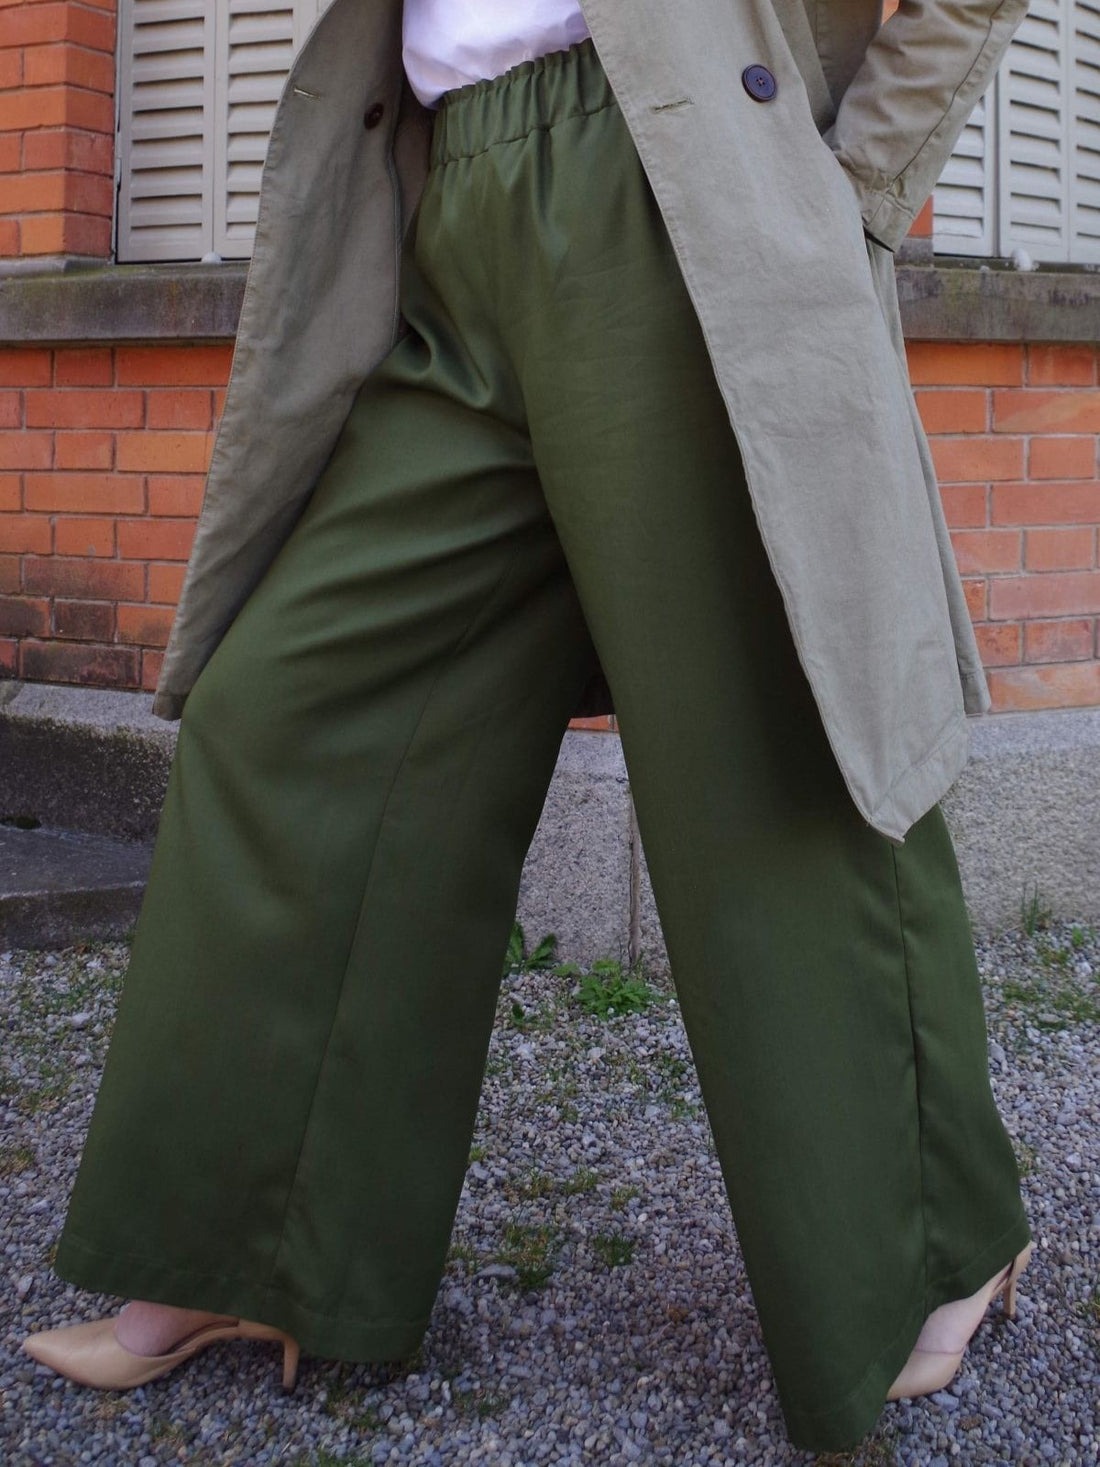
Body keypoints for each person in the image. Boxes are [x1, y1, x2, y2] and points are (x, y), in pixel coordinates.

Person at [21, 1, 1033, 1453]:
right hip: (455, 202)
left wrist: (862, 180)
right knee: (291, 713)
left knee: (767, 748)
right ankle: (251, 1246)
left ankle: (941, 1241)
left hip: (668, 178)